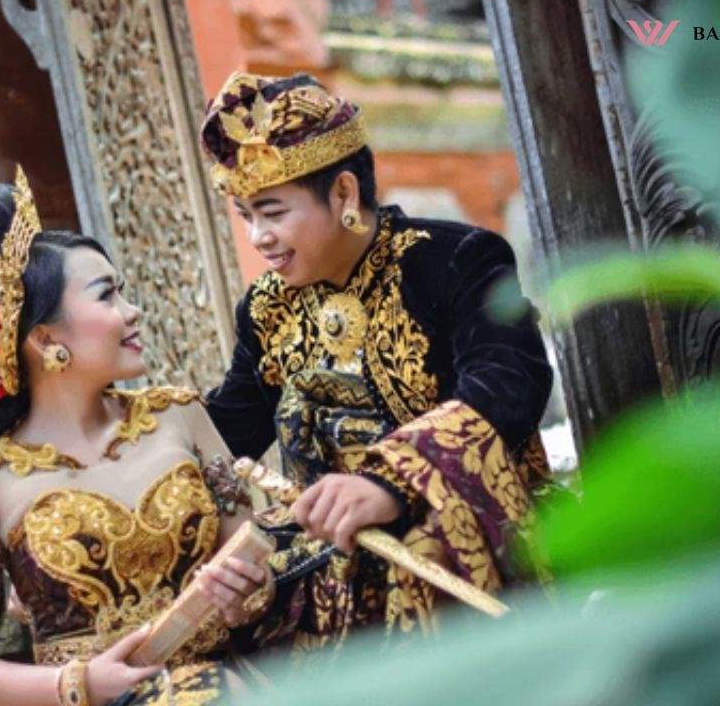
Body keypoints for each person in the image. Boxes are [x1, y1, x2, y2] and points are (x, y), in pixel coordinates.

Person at [200, 72, 555, 650]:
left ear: (343, 194)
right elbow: (225, 433)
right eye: (245, 216)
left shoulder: (453, 260)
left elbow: (509, 380)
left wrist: (391, 481)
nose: (258, 237)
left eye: (272, 211)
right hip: (335, 555)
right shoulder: (267, 308)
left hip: (461, 532)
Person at [0, 138, 273, 706]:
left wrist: (248, 591)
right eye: (108, 295)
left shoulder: (178, 415)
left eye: (124, 291)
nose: (132, 311)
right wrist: (79, 684)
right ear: (46, 339)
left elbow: (248, 554)